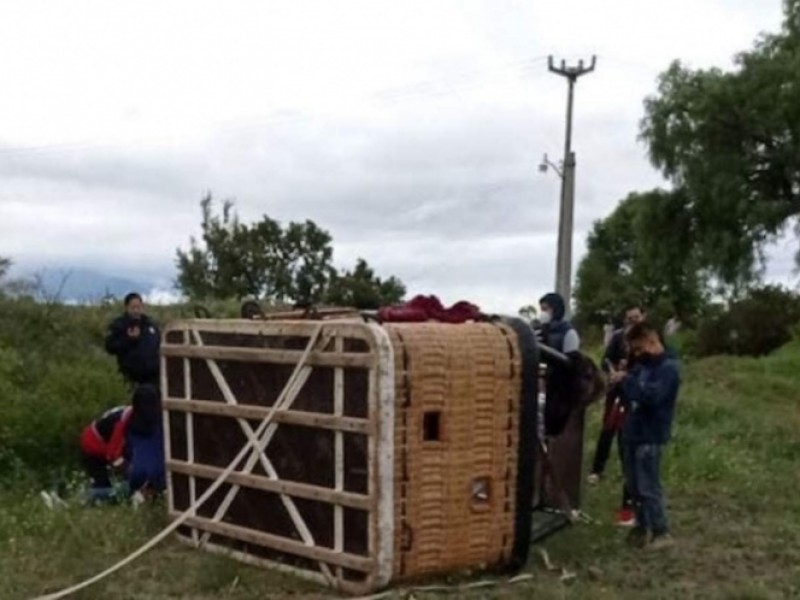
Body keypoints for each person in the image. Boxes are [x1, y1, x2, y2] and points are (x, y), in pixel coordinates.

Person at [610, 321, 680, 550]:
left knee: (648, 486)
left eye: (640, 349)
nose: (637, 355)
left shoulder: (668, 369)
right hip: (632, 432)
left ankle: (661, 532)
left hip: (650, 435)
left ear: (652, 340)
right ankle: (641, 527)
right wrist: (618, 381)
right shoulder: (642, 367)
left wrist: (627, 380)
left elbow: (652, 397)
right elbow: (630, 394)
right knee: (634, 486)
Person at [587, 304, 646, 526]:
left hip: (636, 399)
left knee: (628, 442)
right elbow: (606, 359)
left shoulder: (647, 341)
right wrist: (612, 373)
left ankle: (631, 507)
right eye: (629, 319)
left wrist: (628, 375)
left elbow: (652, 368)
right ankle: (597, 469)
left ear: (643, 317)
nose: (632, 322)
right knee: (608, 429)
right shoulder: (618, 338)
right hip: (617, 393)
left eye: (636, 318)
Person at [79, 384, 165, 504]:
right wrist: (130, 473)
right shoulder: (122, 423)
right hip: (93, 447)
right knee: (106, 492)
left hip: (108, 443)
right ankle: (81, 499)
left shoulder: (139, 417)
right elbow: (113, 456)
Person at [105, 292, 161, 386]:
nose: (136, 311)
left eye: (138, 307)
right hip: (130, 376)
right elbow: (110, 347)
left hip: (152, 377)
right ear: (127, 308)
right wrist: (129, 339)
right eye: (133, 307)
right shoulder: (119, 325)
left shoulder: (150, 324)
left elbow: (159, 343)